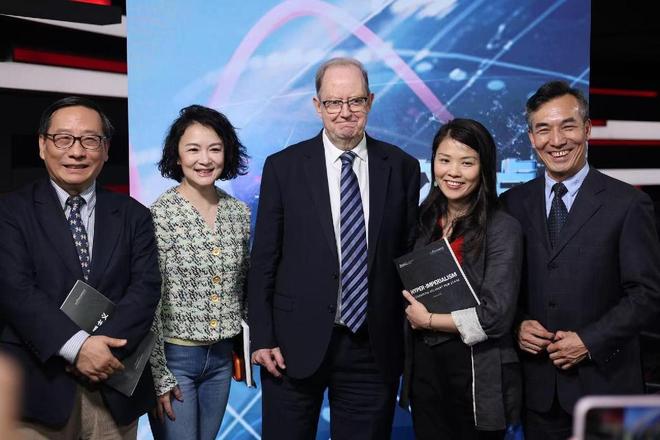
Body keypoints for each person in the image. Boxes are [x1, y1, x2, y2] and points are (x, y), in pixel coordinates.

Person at [248, 57, 420, 439]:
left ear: (370, 101)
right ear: (317, 105)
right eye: (333, 102)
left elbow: (408, 256)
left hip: (372, 347)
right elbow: (264, 259)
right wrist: (262, 337)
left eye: (355, 101)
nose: (345, 112)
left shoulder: (402, 167)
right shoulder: (283, 167)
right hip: (290, 345)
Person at [500, 80, 660, 439]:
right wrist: (517, 325)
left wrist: (589, 341)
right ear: (531, 138)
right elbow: (503, 287)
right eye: (544, 129)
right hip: (539, 395)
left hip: (607, 390)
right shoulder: (512, 204)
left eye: (567, 126)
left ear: (587, 129)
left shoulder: (628, 204)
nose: (556, 140)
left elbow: (647, 295)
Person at [0, 96, 162, 439]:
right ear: (42, 145)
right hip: (37, 390)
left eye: (90, 140)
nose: (76, 152)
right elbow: (15, 290)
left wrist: (101, 352)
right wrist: (78, 347)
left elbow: (145, 290)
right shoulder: (10, 212)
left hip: (112, 383)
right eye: (63, 139)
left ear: (105, 149)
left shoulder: (134, 215)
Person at [399, 118, 523, 439]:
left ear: (484, 169)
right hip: (425, 371)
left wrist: (428, 321)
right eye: (445, 160)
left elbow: (496, 317)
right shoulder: (422, 222)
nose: (453, 172)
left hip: (476, 372)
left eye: (467, 163)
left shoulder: (502, 228)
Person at [148, 105, 250, 440]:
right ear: (177, 156)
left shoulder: (239, 213)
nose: (204, 159)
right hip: (174, 358)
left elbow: (243, 286)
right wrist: (158, 373)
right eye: (193, 149)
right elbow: (149, 300)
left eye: (214, 149)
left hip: (221, 358)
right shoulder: (159, 215)